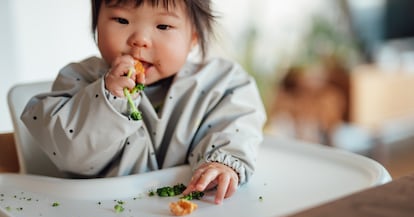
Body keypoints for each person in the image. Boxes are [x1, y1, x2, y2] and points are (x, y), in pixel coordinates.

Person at [21, 0, 266, 204]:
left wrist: (223, 161)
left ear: (192, 38)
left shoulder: (219, 84)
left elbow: (238, 122)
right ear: (97, 25)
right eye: (121, 20)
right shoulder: (77, 80)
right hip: (103, 216)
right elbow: (70, 151)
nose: (140, 40)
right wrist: (108, 98)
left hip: (190, 213)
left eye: (163, 25)